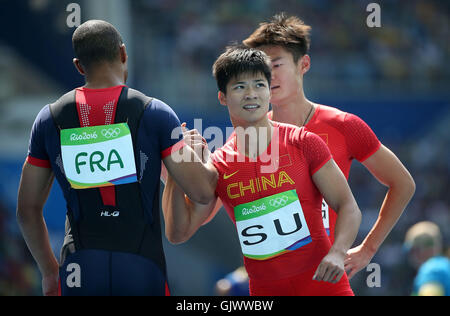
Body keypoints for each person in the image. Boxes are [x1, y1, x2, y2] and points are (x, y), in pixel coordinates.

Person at [202, 13, 416, 280]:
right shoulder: (243, 140)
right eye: (261, 70)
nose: (268, 76)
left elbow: (403, 183)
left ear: (304, 64)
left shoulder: (343, 125)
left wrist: (367, 248)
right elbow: (204, 208)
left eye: (276, 65)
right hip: (273, 281)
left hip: (327, 276)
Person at [16, 20, 217, 296]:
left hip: (79, 268)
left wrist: (51, 272)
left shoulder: (49, 119)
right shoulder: (155, 112)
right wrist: (201, 156)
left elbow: (27, 210)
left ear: (79, 65)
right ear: (123, 53)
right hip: (141, 267)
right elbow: (203, 192)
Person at [163, 46, 362, 296]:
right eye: (239, 87)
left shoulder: (303, 142)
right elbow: (179, 232)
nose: (251, 94)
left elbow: (348, 206)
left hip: (325, 289)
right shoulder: (218, 166)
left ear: (269, 92)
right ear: (222, 97)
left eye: (259, 85)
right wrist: (176, 163)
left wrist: (338, 252)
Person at [405, 221, 450, 296]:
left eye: (412, 250)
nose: (411, 256)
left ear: (420, 250)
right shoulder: (445, 265)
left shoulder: (432, 270)